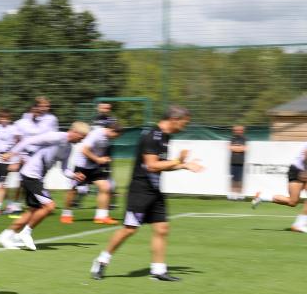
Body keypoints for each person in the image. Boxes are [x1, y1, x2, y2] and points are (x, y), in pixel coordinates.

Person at [90, 106, 203, 281]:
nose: (184, 127)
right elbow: (152, 165)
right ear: (174, 119)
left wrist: (182, 165)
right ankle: (101, 260)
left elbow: (160, 166)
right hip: (140, 190)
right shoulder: (153, 136)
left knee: (162, 228)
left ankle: (158, 271)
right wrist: (179, 162)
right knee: (129, 229)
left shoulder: (165, 137)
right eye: (184, 123)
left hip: (154, 190)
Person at [0, 122, 90, 251]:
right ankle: (25, 233)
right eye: (82, 137)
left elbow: (64, 169)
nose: (81, 140)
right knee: (49, 206)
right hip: (30, 175)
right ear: (74, 132)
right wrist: (11, 154)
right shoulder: (56, 137)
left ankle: (5, 236)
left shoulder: (68, 148)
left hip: (37, 178)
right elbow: (28, 141)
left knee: (33, 212)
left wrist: (74, 175)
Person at [60, 119, 123, 224]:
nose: (116, 138)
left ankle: (101, 216)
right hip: (82, 165)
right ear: (111, 130)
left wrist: (105, 159)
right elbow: (84, 150)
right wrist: (98, 160)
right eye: (116, 136)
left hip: (94, 166)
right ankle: (66, 214)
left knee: (105, 187)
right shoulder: (96, 134)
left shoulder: (108, 137)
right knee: (74, 190)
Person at [251, 142, 307, 232]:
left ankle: (262, 197)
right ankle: (299, 225)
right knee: (293, 202)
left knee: (293, 202)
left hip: (301, 170)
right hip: (299, 171)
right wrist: (305, 172)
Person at [0, 109, 18, 216]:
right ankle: (11, 206)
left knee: (1, 186)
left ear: (10, 119)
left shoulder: (14, 129)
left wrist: (11, 154)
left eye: (6, 118)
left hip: (10, 160)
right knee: (3, 185)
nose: (4, 120)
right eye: (2, 118)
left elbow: (19, 142)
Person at [228, 125, 247, 201]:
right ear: (234, 131)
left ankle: (240, 195)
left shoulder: (244, 139)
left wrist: (236, 148)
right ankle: (233, 195)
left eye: (240, 130)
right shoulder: (232, 139)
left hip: (241, 162)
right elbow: (230, 148)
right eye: (236, 130)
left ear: (242, 131)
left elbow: (244, 149)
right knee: (233, 179)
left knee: (240, 179)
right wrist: (238, 148)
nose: (238, 131)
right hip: (233, 162)